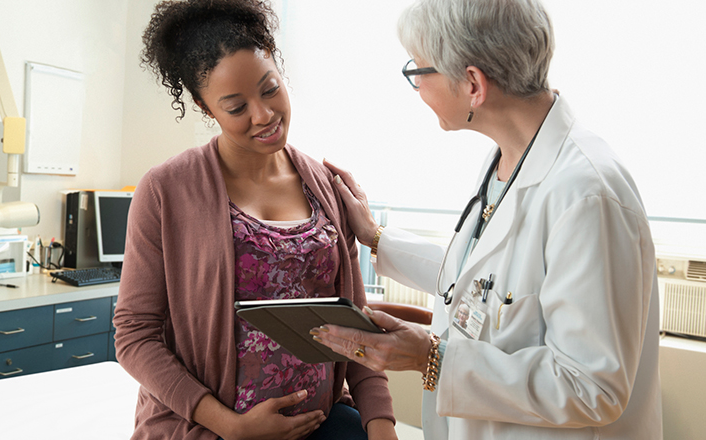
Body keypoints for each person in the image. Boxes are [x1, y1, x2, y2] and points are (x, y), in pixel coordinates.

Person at [314, 0, 663, 438]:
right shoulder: (509, 157)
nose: (417, 88)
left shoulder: (586, 195)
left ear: (474, 84)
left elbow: (592, 386)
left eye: (419, 71)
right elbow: (487, 283)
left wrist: (431, 359)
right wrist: (376, 237)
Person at [112, 1, 397, 439]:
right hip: (210, 429)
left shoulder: (325, 184)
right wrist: (231, 426)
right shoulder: (166, 190)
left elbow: (355, 324)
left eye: (269, 90)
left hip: (320, 425)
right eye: (235, 106)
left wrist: (381, 426)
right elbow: (134, 336)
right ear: (206, 108)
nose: (263, 115)